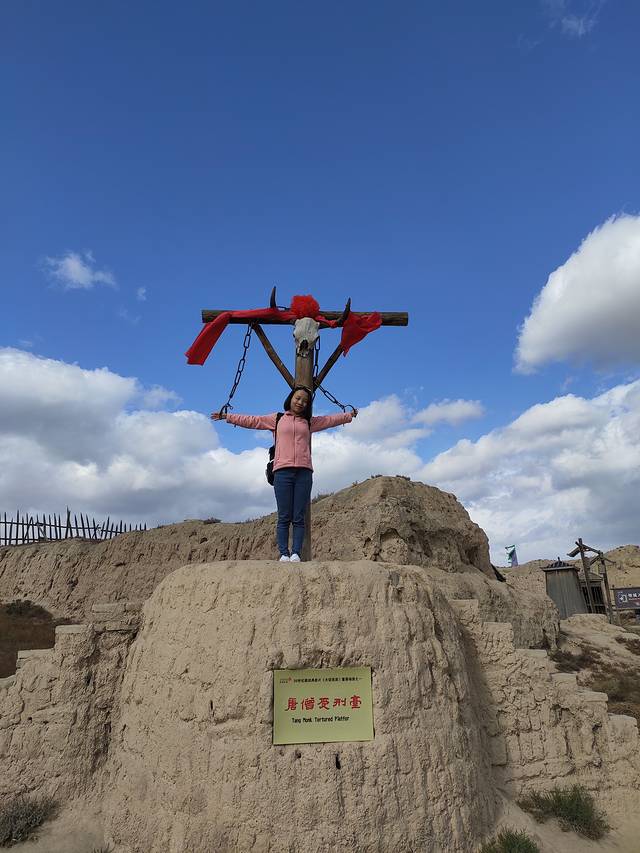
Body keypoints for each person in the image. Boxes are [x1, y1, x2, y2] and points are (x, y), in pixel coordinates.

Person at [211, 386, 357, 562]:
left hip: (304, 472)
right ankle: (283, 553)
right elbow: (252, 421)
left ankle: (296, 553)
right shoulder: (277, 419)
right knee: (284, 516)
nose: (301, 402)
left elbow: (330, 420)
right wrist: (228, 417)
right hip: (282, 471)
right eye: (298, 398)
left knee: (298, 516)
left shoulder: (309, 422)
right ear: (291, 398)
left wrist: (349, 416)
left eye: (305, 400)